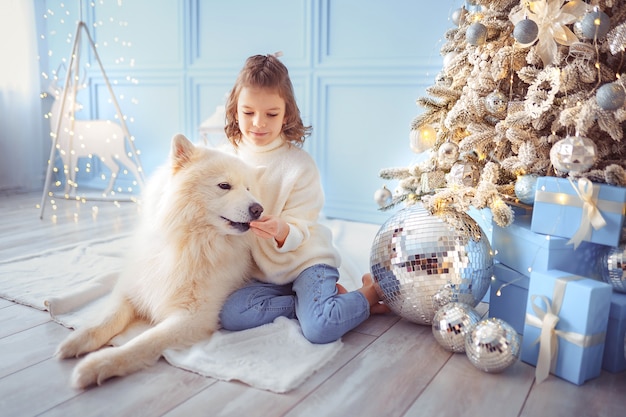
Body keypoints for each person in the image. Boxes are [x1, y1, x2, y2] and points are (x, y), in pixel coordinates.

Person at [218, 53, 388, 344]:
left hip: (306, 260)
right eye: (248, 112)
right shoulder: (225, 157)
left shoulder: (299, 165)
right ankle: (316, 303)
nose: (258, 123)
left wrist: (282, 230)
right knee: (231, 314)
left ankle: (368, 294)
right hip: (264, 274)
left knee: (320, 327)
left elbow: (303, 226)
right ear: (235, 110)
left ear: (287, 115)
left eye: (271, 114)